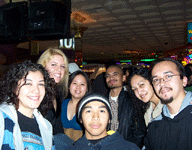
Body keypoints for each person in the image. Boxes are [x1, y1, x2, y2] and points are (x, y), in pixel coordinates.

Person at [0, 60, 55, 149]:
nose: (36, 90)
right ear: (14, 87)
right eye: (28, 83)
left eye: (40, 84)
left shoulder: (46, 126)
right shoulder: (3, 120)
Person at [144, 58, 192, 150]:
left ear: (184, 81)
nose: (161, 82)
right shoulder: (154, 126)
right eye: (156, 80)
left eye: (168, 76)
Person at [68, 93, 140, 150]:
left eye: (102, 111)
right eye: (89, 111)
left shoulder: (129, 148)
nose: (95, 117)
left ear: (109, 119)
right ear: (80, 119)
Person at [105, 65, 146, 148]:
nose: (111, 78)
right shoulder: (102, 101)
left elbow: (139, 132)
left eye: (115, 74)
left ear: (124, 78)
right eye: (108, 76)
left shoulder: (133, 100)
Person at [37, 48, 69, 135]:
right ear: (43, 66)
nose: (59, 70)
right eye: (54, 65)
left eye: (62, 66)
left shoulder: (58, 93)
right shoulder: (36, 92)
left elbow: (57, 126)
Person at [61, 70, 91, 141]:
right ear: (69, 86)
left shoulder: (89, 108)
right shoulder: (62, 104)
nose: (78, 87)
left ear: (87, 88)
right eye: (75, 83)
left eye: (82, 84)